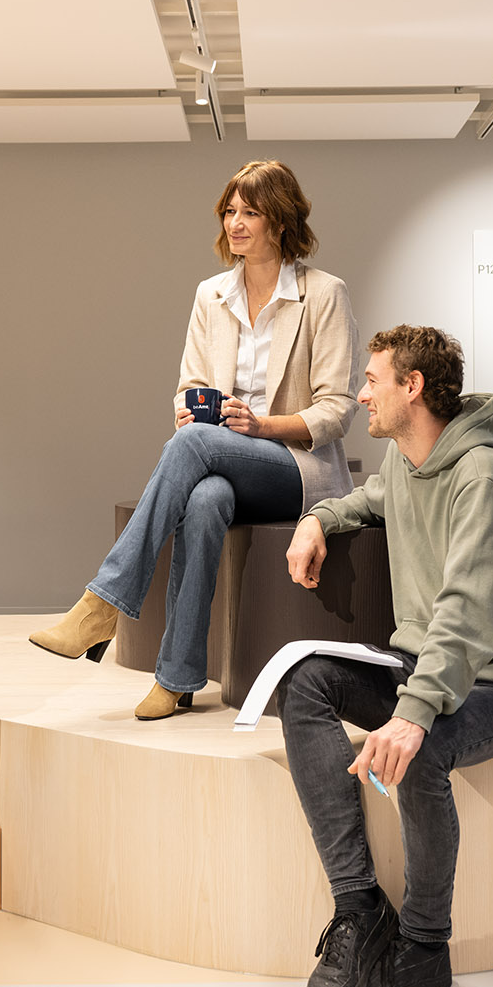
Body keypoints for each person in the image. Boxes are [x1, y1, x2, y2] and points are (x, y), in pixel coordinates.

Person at [276, 326, 493, 987]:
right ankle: (358, 906)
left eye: (372, 380)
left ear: (412, 387)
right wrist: (317, 519)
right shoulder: (406, 460)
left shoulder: (485, 476)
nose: (361, 395)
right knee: (304, 681)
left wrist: (411, 715)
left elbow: (468, 613)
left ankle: (424, 945)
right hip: (431, 668)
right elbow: (370, 500)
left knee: (424, 745)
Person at [29, 160, 360, 719]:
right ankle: (178, 678)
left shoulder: (324, 293)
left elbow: (337, 410)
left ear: (281, 221)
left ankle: (102, 605)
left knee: (193, 447)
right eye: (229, 211)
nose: (235, 223)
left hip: (297, 468)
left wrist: (261, 426)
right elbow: (188, 387)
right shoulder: (212, 295)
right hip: (224, 459)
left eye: (250, 212)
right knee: (205, 499)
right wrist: (191, 411)